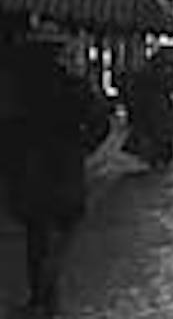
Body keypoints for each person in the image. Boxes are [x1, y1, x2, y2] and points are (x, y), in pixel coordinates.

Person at [0, 38, 112, 316]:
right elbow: (101, 123)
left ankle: (40, 294)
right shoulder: (73, 86)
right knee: (62, 231)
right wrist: (84, 146)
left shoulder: (16, 90)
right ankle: (48, 292)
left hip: (28, 168)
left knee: (36, 235)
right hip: (64, 166)